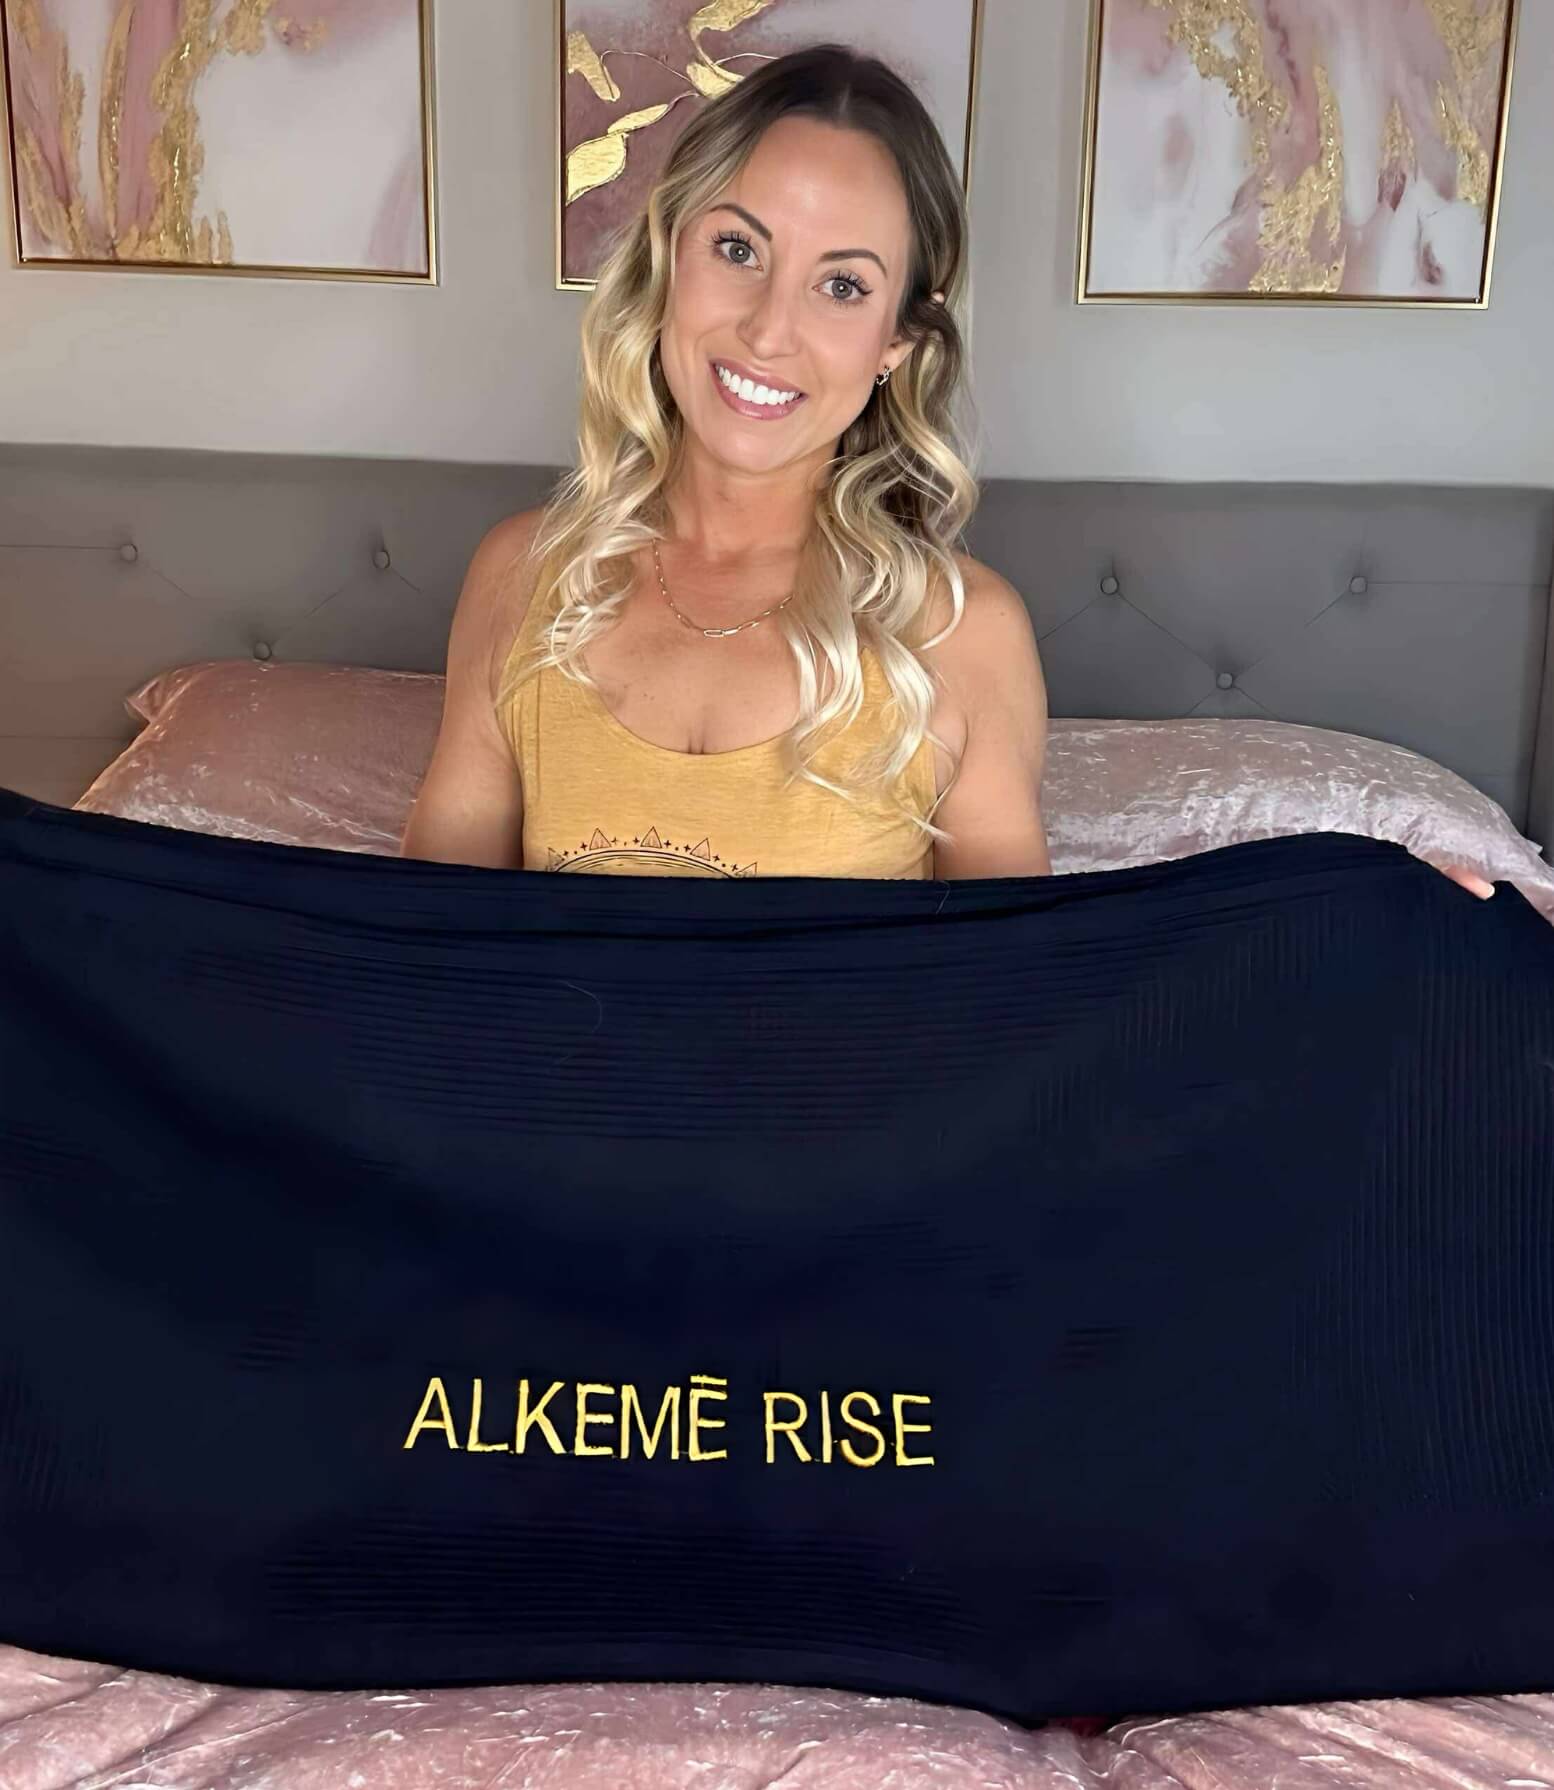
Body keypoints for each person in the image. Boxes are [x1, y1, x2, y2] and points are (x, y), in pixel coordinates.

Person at [399, 44, 1494, 902]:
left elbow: (1018, 1002)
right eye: (737, 250)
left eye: (842, 286)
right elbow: (411, 946)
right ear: (668, 258)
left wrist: (1344, 917)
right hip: (552, 1120)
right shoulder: (523, 579)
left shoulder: (962, 634)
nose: (769, 330)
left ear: (895, 345)